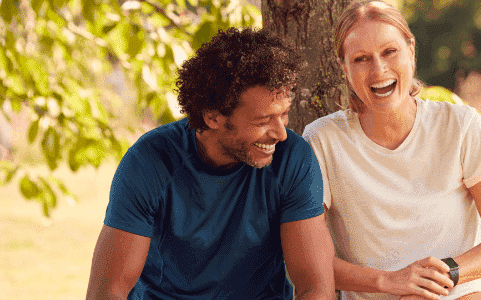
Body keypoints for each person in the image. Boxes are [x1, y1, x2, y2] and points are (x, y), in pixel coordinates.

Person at [86, 27, 335, 300]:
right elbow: (107, 292)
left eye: (284, 115)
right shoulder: (150, 162)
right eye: (263, 121)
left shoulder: (292, 158)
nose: (281, 133)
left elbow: (315, 287)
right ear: (213, 117)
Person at [302, 1, 481, 300]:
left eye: (389, 51)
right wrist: (390, 281)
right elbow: (308, 261)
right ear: (344, 67)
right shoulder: (323, 141)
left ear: (411, 50)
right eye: (361, 58)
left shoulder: (460, 126)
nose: (378, 69)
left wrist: (443, 275)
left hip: (463, 293)